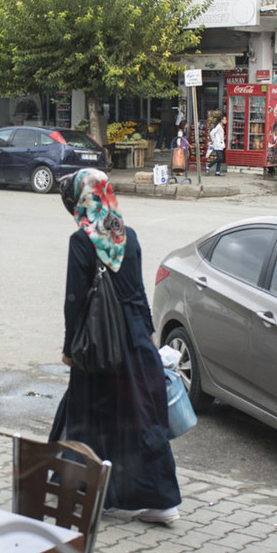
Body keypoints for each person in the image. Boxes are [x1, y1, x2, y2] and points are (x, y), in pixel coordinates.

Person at [48, 169, 182, 524]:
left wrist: (68, 346)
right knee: (141, 418)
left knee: (88, 418)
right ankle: (162, 503)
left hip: (98, 344)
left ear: (81, 201)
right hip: (135, 340)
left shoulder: (82, 241)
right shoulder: (128, 236)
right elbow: (138, 292)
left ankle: (83, 493)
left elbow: (75, 300)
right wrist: (149, 336)